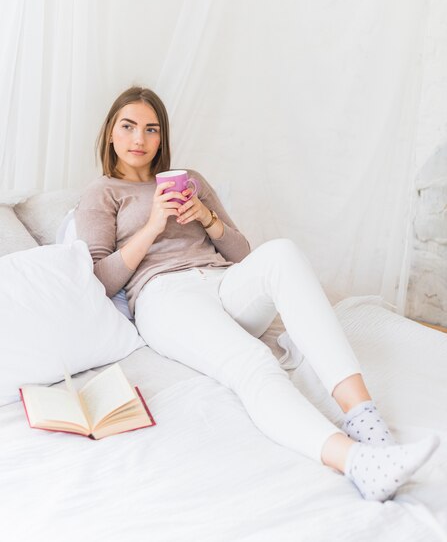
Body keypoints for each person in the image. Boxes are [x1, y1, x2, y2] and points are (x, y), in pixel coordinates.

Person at [75, 86, 439, 502]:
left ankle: (367, 422)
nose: (139, 139)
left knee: (281, 252)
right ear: (110, 134)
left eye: (151, 129)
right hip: (164, 296)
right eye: (129, 126)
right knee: (253, 361)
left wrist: (207, 218)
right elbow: (100, 281)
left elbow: (243, 254)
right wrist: (154, 225)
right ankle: (356, 461)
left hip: (222, 281)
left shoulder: (190, 181)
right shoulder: (101, 193)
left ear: (162, 138)